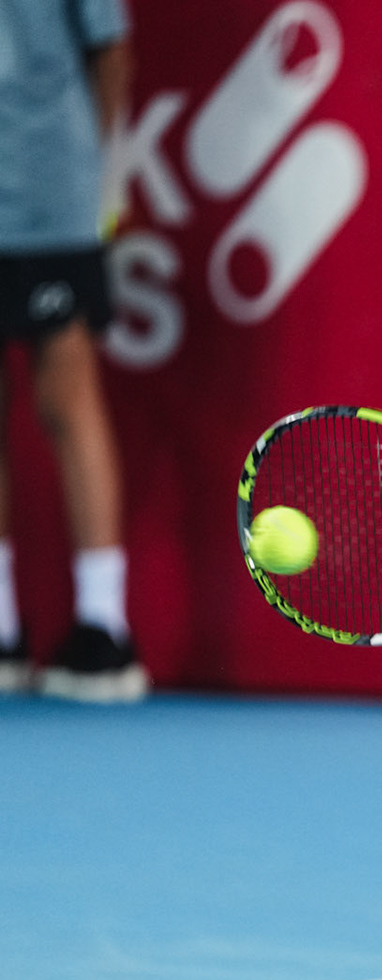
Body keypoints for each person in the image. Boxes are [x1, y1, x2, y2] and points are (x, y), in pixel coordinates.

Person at [0, 0, 146, 701]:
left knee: (66, 399)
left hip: (47, 199)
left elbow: (111, 56)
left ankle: (103, 629)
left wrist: (92, 176)